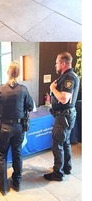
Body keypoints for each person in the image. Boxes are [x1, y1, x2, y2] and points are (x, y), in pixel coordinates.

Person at [0, 61, 34, 195]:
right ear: (19, 73)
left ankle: (3, 188)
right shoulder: (24, 89)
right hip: (19, 127)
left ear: (7, 72)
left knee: (2, 156)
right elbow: (30, 107)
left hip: (4, 127)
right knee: (17, 154)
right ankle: (17, 183)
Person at [44, 52, 80, 182]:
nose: (56, 65)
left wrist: (52, 88)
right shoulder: (69, 75)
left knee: (57, 144)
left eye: (57, 62)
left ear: (63, 63)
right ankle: (66, 167)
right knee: (65, 142)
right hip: (67, 116)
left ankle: (57, 174)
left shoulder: (68, 77)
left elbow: (64, 98)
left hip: (63, 116)